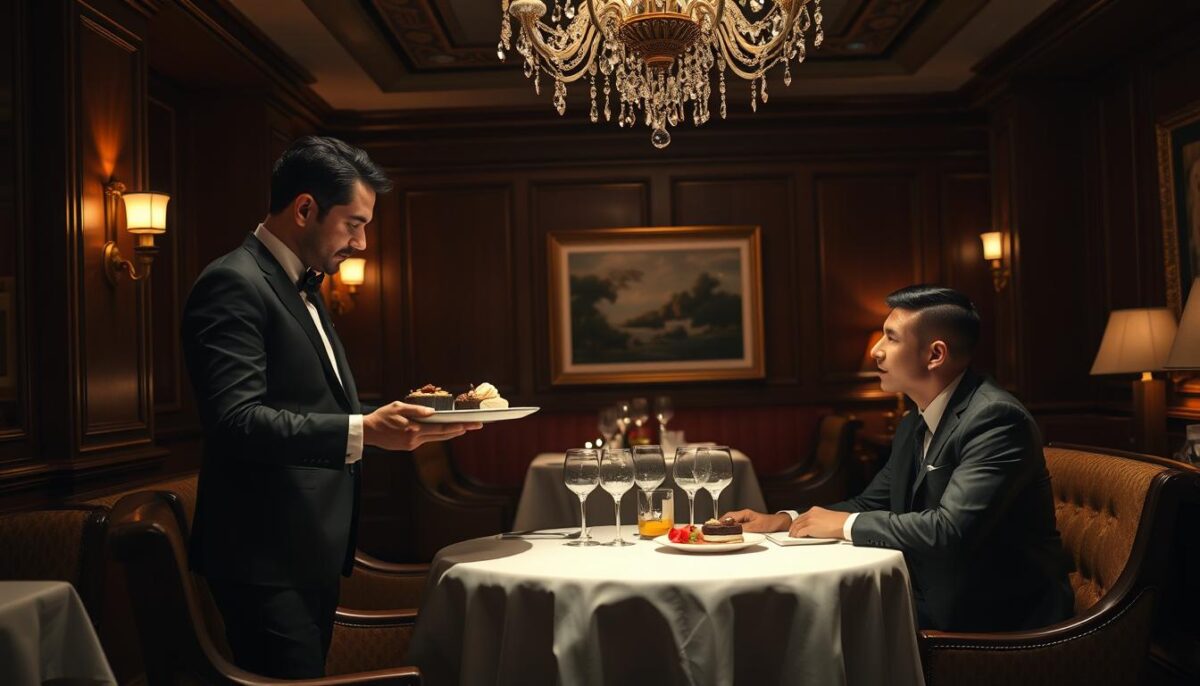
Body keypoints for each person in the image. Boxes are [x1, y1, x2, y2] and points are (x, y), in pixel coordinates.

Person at [181, 136, 480, 677]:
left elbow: (315, 403)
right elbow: (234, 423)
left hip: (307, 552)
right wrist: (363, 430)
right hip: (262, 558)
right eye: (354, 223)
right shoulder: (232, 282)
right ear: (304, 209)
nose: (362, 243)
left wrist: (408, 422)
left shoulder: (308, 287)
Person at [725, 285, 1073, 632]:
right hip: (935, 595)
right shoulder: (913, 422)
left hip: (999, 617)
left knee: (804, 620)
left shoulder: (995, 419)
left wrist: (843, 525)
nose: (876, 351)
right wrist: (785, 521)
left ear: (935, 355)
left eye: (890, 338)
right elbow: (870, 501)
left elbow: (948, 530)